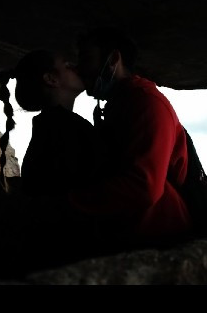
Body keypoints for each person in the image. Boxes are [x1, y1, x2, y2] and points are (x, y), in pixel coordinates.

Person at [71, 25, 194, 244]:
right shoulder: (121, 102)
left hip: (157, 234)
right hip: (134, 230)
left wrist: (69, 202)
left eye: (86, 59)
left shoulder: (146, 103)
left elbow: (144, 187)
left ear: (113, 60)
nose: (79, 69)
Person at [0, 50, 98, 196]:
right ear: (51, 79)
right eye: (67, 66)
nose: (76, 67)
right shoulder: (68, 129)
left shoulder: (49, 127)